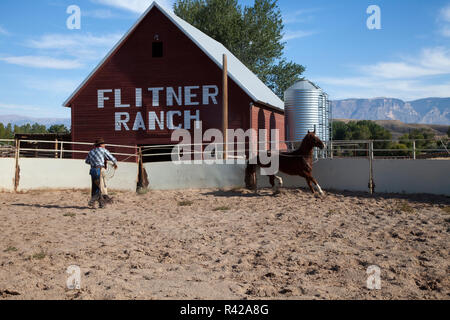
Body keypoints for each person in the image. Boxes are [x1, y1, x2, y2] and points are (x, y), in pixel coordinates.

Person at [85, 138, 118, 208]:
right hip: (100, 169)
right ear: (101, 145)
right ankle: (98, 201)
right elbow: (112, 158)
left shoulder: (91, 151)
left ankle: (98, 203)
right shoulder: (103, 150)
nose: (104, 145)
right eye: (103, 143)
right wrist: (115, 163)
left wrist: (94, 162)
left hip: (93, 170)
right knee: (102, 186)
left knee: (95, 186)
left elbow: (87, 161)